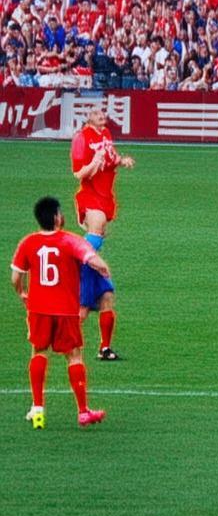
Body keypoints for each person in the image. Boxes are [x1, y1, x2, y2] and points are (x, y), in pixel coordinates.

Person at [10, 196, 112, 429]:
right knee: (74, 356)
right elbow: (92, 259)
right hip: (65, 310)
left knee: (39, 352)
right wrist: (103, 268)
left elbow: (16, 276)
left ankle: (37, 409)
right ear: (57, 217)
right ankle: (83, 412)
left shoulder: (28, 243)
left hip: (39, 309)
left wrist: (22, 292)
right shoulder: (69, 240)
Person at [71, 104, 135, 360]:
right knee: (83, 307)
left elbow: (111, 158)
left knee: (107, 297)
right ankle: (76, 259)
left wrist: (121, 160)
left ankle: (104, 349)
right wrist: (93, 164)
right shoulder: (81, 138)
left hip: (105, 196)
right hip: (90, 196)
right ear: (88, 117)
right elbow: (78, 173)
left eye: (103, 113)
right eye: (98, 113)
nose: (103, 116)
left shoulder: (106, 134)